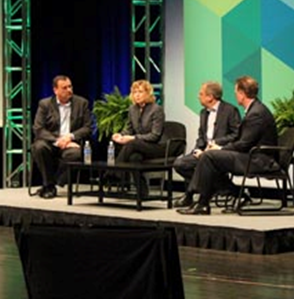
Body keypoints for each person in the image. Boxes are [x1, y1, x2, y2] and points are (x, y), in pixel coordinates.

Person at [177, 76, 278, 215]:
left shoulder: (256, 113)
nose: (235, 94)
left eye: (236, 91)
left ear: (242, 93)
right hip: (251, 155)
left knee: (209, 156)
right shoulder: (254, 110)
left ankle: (199, 200)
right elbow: (242, 141)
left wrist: (221, 148)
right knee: (204, 158)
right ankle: (203, 201)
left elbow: (244, 143)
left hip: (259, 159)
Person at [173, 81, 241, 208]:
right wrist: (198, 149)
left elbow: (236, 134)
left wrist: (216, 143)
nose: (198, 96)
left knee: (206, 166)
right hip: (204, 151)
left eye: (201, 94)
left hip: (221, 151)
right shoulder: (203, 112)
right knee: (180, 164)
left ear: (210, 97)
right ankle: (225, 189)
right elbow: (201, 136)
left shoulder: (230, 110)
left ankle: (189, 195)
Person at [31, 75, 92, 199]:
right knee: (39, 147)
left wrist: (70, 137)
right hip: (51, 142)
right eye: (64, 88)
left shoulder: (82, 103)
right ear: (55, 90)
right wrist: (58, 140)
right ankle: (49, 185)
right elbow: (38, 129)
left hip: (70, 143)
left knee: (76, 154)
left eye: (70, 86)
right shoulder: (45, 104)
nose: (69, 90)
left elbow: (88, 128)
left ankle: (51, 184)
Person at [112, 80, 166, 195]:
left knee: (132, 143)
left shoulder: (156, 110)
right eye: (134, 92)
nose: (137, 95)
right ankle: (142, 191)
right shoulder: (133, 109)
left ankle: (114, 172)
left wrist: (133, 138)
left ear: (148, 93)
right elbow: (129, 128)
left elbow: (155, 136)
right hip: (138, 148)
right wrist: (120, 135)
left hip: (155, 147)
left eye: (140, 92)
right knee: (134, 157)